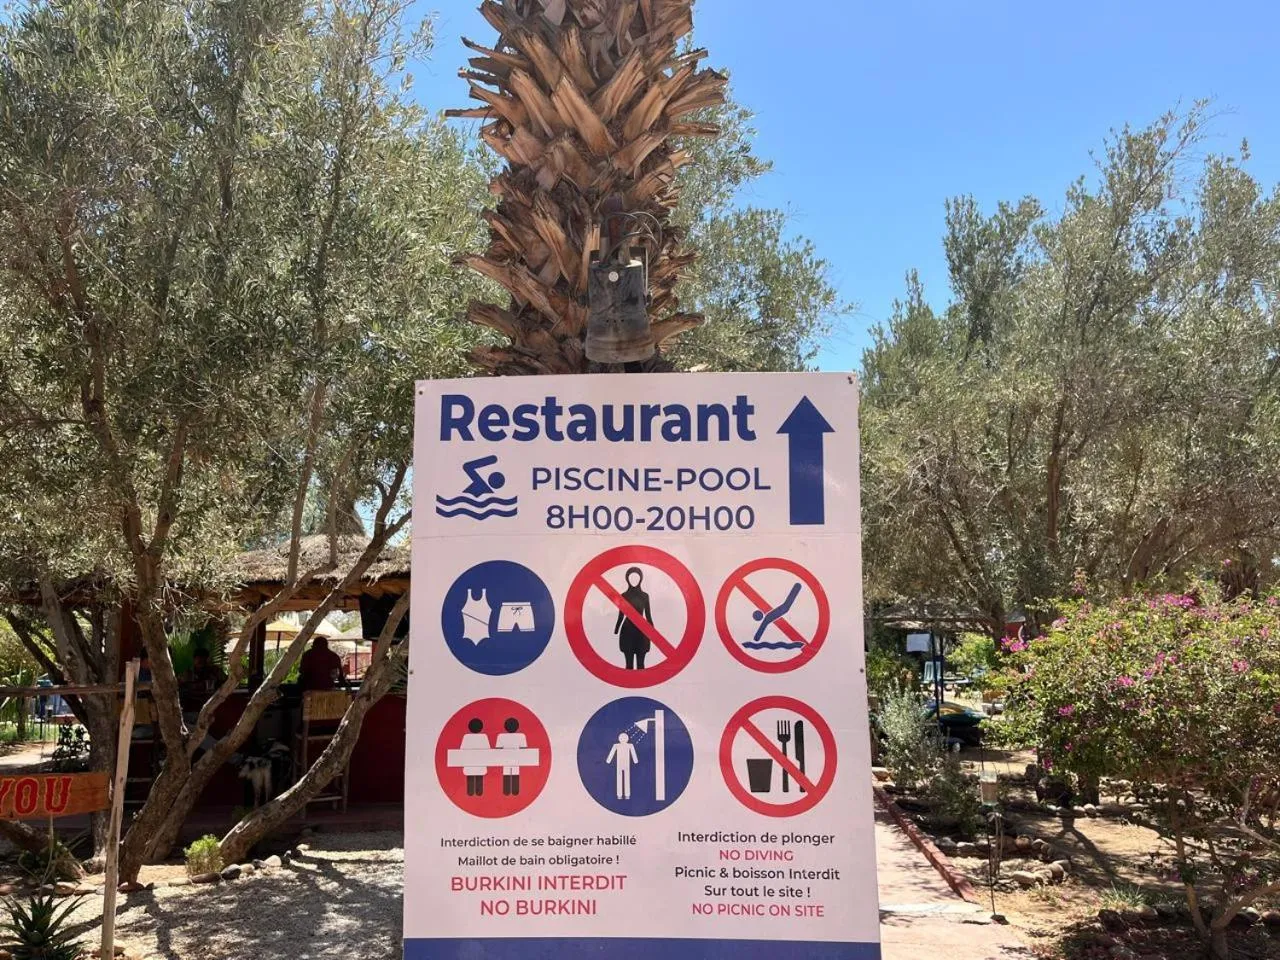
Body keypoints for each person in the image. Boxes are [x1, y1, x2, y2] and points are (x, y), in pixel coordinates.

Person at [614, 567, 653, 670]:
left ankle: (642, 684)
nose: (634, 581)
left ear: (641, 579)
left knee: (641, 664)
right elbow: (621, 614)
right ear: (627, 579)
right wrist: (617, 628)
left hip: (642, 632)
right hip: (627, 632)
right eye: (631, 578)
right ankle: (629, 683)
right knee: (629, 665)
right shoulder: (624, 596)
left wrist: (652, 632)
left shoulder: (645, 596)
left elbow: (648, 615)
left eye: (637, 578)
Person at [495, 717, 527, 796]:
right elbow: (524, 748)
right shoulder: (521, 736)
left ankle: (506, 792)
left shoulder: (501, 736)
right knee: (516, 773)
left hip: (505, 759)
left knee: (506, 773)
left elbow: (498, 748)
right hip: (516, 759)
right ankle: (515, 792)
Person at [606, 731, 639, 800]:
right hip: (621, 765)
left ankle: (626, 795)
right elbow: (612, 753)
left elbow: (633, 753)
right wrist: (608, 760)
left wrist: (635, 760)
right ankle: (620, 795)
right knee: (621, 779)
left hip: (625, 765)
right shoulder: (616, 745)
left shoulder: (629, 745)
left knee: (625, 779)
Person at [461, 718, 490, 796]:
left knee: (470, 779)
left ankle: (470, 793)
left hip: (470, 763)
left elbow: (462, 749)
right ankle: (479, 793)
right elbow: (488, 749)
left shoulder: (466, 737)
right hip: (480, 763)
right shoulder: (484, 737)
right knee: (479, 778)